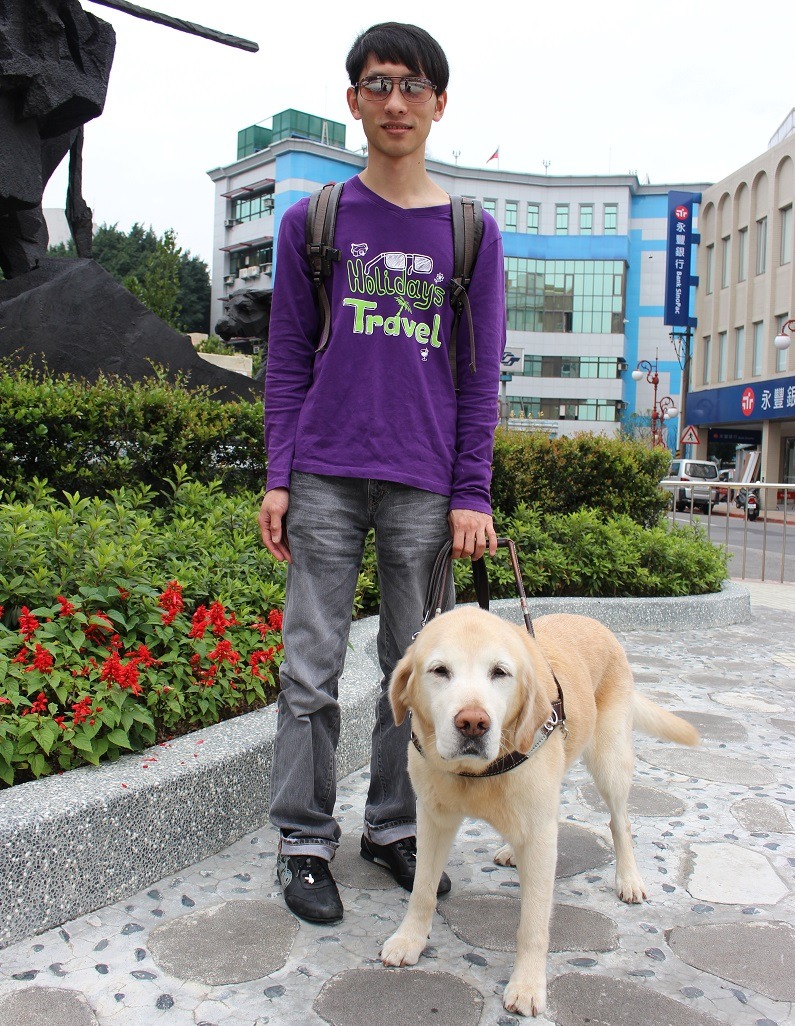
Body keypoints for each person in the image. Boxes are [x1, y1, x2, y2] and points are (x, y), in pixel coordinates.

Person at [258, 21, 506, 924]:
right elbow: (287, 357)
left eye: (412, 86)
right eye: (377, 84)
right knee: (310, 668)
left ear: (439, 104)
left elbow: (480, 375)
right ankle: (302, 839)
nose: (394, 101)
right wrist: (278, 475)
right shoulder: (314, 223)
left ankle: (395, 828)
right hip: (324, 472)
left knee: (421, 669)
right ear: (354, 100)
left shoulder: (470, 234)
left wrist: (471, 491)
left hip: (424, 484)